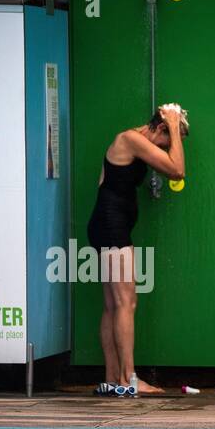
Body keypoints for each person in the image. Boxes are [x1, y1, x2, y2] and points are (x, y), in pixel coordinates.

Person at [86, 104, 188, 397]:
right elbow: (177, 170)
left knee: (114, 305)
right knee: (126, 303)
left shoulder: (136, 142)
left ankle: (113, 380)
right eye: (167, 140)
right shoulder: (130, 139)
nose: (168, 148)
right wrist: (171, 122)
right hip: (111, 228)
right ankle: (128, 380)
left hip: (110, 227)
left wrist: (172, 128)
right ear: (158, 128)